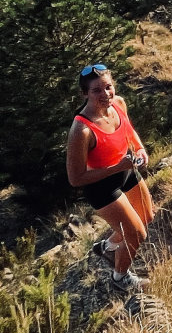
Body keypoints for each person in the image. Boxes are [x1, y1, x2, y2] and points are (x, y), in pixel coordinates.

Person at [66, 63, 155, 289]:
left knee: (147, 216)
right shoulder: (82, 130)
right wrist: (117, 167)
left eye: (108, 87)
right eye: (96, 90)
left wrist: (140, 149)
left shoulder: (119, 103)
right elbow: (75, 178)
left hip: (126, 171)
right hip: (102, 188)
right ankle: (120, 277)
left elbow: (129, 131)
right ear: (85, 93)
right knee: (137, 234)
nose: (105, 94)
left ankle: (107, 247)